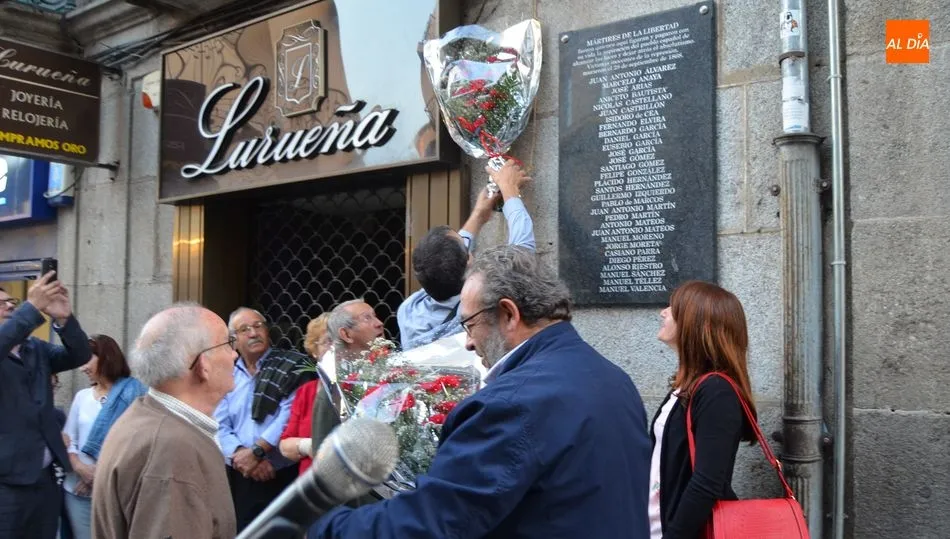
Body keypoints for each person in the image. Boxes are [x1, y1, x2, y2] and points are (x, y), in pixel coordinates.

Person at [309, 245, 652, 538]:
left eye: (470, 324)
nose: (469, 343)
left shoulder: (512, 402)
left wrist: (328, 525)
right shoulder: (613, 377)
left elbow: (434, 522)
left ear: (508, 314)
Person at [91, 303, 237, 538]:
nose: (234, 354)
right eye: (228, 343)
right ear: (203, 365)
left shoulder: (151, 419)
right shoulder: (172, 448)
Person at [648, 281, 758, 539]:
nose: (663, 312)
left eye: (673, 307)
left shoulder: (716, 392)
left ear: (696, 324)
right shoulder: (686, 386)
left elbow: (707, 483)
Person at [397, 160, 535, 350]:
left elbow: (447, 259)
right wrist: (509, 188)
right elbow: (523, 252)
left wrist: (479, 215)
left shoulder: (408, 312)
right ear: (470, 262)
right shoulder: (482, 307)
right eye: (465, 245)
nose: (466, 239)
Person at [0, 273, 91, 539]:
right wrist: (31, 308)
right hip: (5, 485)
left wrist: (64, 319)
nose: (10, 306)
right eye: (2, 303)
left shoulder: (34, 347)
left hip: (45, 479)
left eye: (12, 302)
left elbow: (80, 355)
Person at [214, 307, 315, 532]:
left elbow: (288, 414)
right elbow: (218, 422)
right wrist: (240, 455)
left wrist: (258, 452)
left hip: (283, 471)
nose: (253, 333)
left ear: (268, 331)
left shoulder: (292, 366)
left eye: (258, 326)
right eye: (244, 329)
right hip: (241, 473)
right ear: (233, 340)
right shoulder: (226, 372)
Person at [63, 334, 142, 539]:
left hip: (117, 490)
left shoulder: (135, 394)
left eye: (86, 360)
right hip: (78, 492)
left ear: (106, 357)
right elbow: (69, 440)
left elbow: (137, 444)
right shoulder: (82, 397)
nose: (82, 368)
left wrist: (99, 475)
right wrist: (82, 470)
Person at [279, 313, 331, 474]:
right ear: (315, 351)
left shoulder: (358, 386)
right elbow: (285, 445)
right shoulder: (306, 391)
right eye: (328, 341)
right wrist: (309, 446)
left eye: (340, 341)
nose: (334, 346)